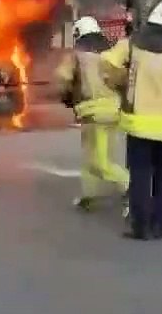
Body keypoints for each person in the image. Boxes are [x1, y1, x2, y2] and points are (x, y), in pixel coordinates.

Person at [102, 0, 162, 240]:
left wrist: (122, 80)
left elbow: (108, 64)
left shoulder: (133, 45)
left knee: (140, 176)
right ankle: (159, 225)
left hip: (139, 123)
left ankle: (141, 227)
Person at [55, 16, 129, 211]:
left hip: (93, 113)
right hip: (113, 110)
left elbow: (63, 80)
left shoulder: (76, 56)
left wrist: (66, 97)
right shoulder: (110, 54)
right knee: (91, 156)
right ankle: (89, 195)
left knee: (99, 162)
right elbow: (122, 80)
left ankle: (132, 189)